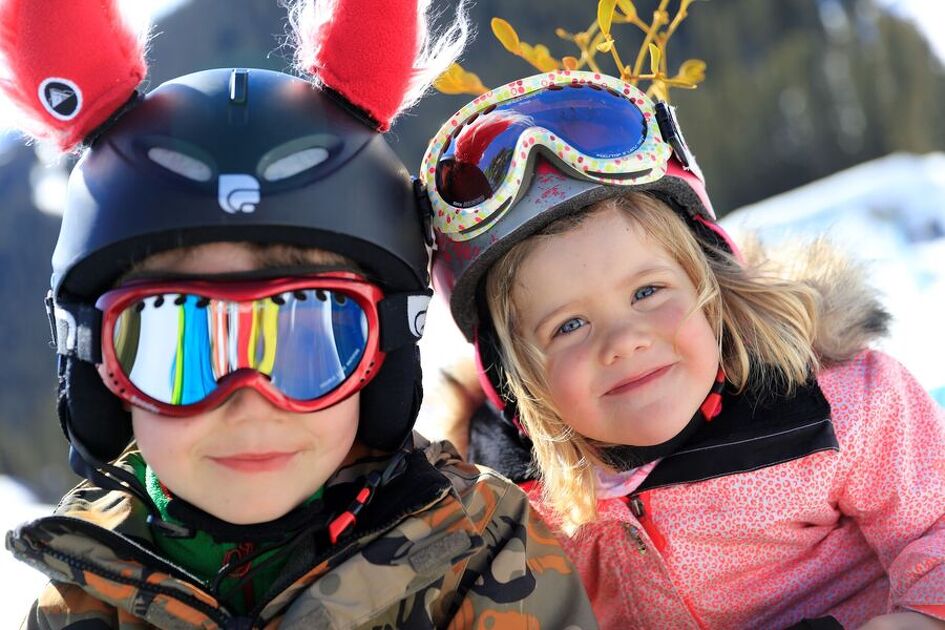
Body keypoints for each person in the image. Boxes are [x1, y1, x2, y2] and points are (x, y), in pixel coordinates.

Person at [0, 2, 598, 627]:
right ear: (100, 370)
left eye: (309, 341)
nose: (249, 401)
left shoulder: (481, 554)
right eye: (178, 350)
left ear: (387, 353)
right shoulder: (76, 602)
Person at [420, 68, 945, 629]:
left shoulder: (832, 408)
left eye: (647, 292)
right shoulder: (507, 499)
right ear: (514, 376)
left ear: (711, 288)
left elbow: (933, 526)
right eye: (569, 326)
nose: (624, 340)